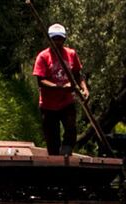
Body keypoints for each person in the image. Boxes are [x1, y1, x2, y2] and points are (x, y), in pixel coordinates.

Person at [33, 24, 90, 157]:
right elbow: (40, 81)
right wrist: (60, 87)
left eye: (60, 39)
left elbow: (77, 74)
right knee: (52, 140)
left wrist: (84, 88)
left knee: (71, 130)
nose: (57, 42)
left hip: (66, 102)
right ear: (50, 40)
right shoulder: (43, 57)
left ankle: (66, 153)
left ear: (64, 39)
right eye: (55, 39)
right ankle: (55, 161)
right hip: (48, 105)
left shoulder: (71, 54)